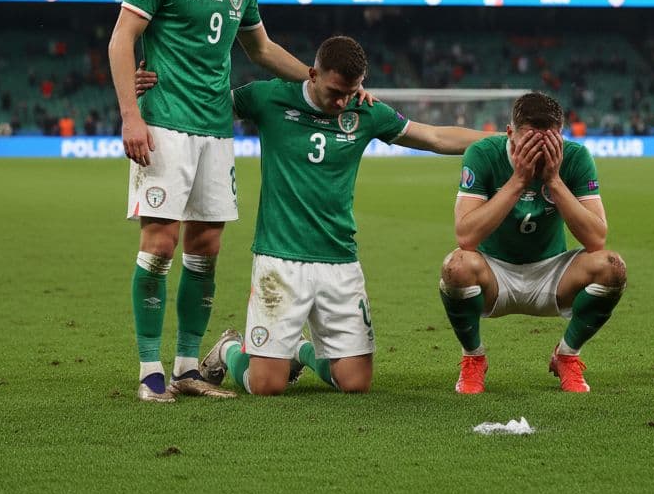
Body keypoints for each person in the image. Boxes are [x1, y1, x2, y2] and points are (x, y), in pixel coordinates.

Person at [108, 0, 335, 403]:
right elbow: (122, 39)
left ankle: (189, 366)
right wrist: (130, 116)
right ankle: (150, 371)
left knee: (205, 250)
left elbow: (261, 50)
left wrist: (320, 83)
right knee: (160, 246)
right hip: (164, 125)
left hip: (216, 128)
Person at [195, 37, 491, 396]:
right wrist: (154, 85)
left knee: (356, 383)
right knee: (265, 387)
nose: (341, 102)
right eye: (335, 91)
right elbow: (209, 105)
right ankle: (230, 347)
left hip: (339, 261)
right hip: (279, 258)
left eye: (350, 92)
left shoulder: (366, 111)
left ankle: (301, 351)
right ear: (313, 74)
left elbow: (434, 136)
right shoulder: (269, 96)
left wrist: (503, 142)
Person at [438, 92, 625, 394]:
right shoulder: (483, 154)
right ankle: (473, 358)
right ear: (509, 133)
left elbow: (596, 238)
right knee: (457, 266)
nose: (539, 150)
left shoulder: (575, 157)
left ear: (560, 137)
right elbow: (466, 236)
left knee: (612, 268)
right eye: (529, 141)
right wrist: (518, 181)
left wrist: (553, 180)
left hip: (553, 273)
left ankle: (567, 356)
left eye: (549, 141)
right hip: (494, 273)